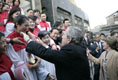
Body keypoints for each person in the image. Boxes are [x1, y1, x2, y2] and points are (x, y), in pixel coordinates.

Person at [22, 26, 91, 80]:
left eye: (64, 35)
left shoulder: (71, 51)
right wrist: (43, 44)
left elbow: (49, 54)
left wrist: (29, 41)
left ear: (69, 39)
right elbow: (55, 54)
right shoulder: (78, 49)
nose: (61, 37)